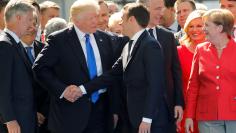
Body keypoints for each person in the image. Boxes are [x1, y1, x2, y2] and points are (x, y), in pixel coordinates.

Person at [76, 3, 167, 132]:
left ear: (132, 19)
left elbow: (155, 85)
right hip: (134, 119)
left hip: (150, 122)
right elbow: (112, 74)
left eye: (122, 19)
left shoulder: (150, 45)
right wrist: (82, 89)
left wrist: (147, 119)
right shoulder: (128, 46)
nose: (120, 23)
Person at [33, 0, 118, 132]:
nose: (98, 21)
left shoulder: (105, 38)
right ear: (77, 20)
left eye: (97, 16)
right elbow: (40, 68)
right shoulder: (59, 40)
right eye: (92, 18)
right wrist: (63, 90)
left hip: (102, 111)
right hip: (70, 114)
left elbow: (112, 72)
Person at [185, 9, 236, 133]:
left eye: (206, 25)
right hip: (207, 115)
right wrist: (189, 116)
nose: (203, 29)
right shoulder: (201, 49)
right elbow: (193, 86)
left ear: (219, 28)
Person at [137, 0, 185, 132]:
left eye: (162, 8)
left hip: (166, 106)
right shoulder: (132, 36)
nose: (162, 12)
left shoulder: (167, 36)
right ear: (144, 9)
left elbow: (175, 71)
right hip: (140, 107)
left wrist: (178, 102)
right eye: (157, 9)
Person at [0, 1, 36, 133]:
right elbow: (2, 88)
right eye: (30, 19)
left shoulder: (15, 43)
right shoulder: (5, 45)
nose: (32, 24)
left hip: (25, 118)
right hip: (16, 122)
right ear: (18, 17)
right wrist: (10, 120)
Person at [177, 10, 206, 133]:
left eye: (199, 26)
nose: (194, 30)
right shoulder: (178, 51)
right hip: (185, 109)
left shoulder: (215, 50)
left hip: (209, 111)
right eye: (191, 26)